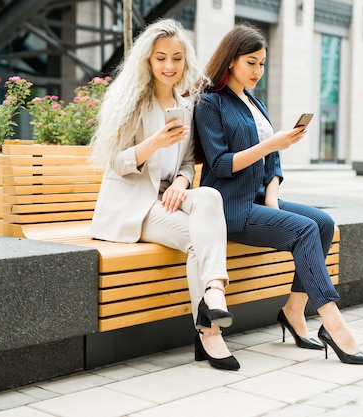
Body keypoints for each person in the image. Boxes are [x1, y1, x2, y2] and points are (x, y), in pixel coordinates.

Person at [194, 24, 363, 365]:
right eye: (251, 62)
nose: (257, 71)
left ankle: (294, 311)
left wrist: (273, 195)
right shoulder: (210, 103)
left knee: (322, 222)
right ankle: (334, 325)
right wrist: (272, 142)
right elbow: (220, 164)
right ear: (230, 61)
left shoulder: (253, 101)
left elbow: (273, 161)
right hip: (228, 208)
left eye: (262, 63)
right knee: (304, 229)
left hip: (256, 201)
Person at [89, 19, 239, 371]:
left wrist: (181, 183)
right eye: (161, 58)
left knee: (209, 197)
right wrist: (154, 142)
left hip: (169, 198)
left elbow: (187, 162)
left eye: (176, 58)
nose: (169, 66)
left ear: (185, 61)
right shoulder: (132, 104)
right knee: (198, 242)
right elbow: (115, 162)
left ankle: (213, 293)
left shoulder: (187, 105)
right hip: (135, 205)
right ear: (148, 61)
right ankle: (210, 333)